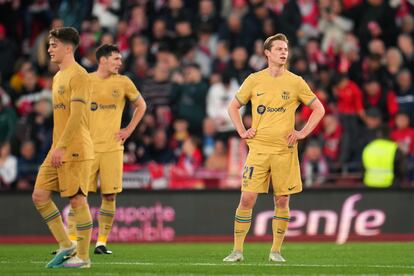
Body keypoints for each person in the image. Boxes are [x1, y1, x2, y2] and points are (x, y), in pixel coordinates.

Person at [224, 33, 325, 262]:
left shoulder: (296, 81)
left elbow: (319, 108)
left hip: (284, 151)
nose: (283, 52)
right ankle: (237, 250)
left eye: (285, 49)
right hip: (258, 150)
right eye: (278, 48)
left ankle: (275, 251)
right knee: (247, 198)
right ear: (267, 53)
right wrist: (242, 131)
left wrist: (302, 132)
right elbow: (233, 107)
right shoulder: (254, 79)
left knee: (282, 200)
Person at [66, 44, 146, 254]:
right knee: (78, 195)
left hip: (112, 148)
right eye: (116, 59)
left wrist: (128, 130)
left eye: (120, 59)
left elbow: (141, 105)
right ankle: (71, 242)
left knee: (109, 196)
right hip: (87, 148)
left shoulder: (124, 82)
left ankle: (101, 242)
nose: (120, 62)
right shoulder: (86, 81)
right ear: (103, 60)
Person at [31, 27, 94, 268]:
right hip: (58, 147)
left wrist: (62, 147)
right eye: (49, 45)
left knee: (77, 200)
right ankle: (66, 244)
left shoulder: (80, 75)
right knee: (40, 196)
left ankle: (84, 258)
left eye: (53, 45)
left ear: (68, 48)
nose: (48, 49)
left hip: (74, 148)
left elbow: (76, 117)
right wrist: (57, 147)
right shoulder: (58, 76)